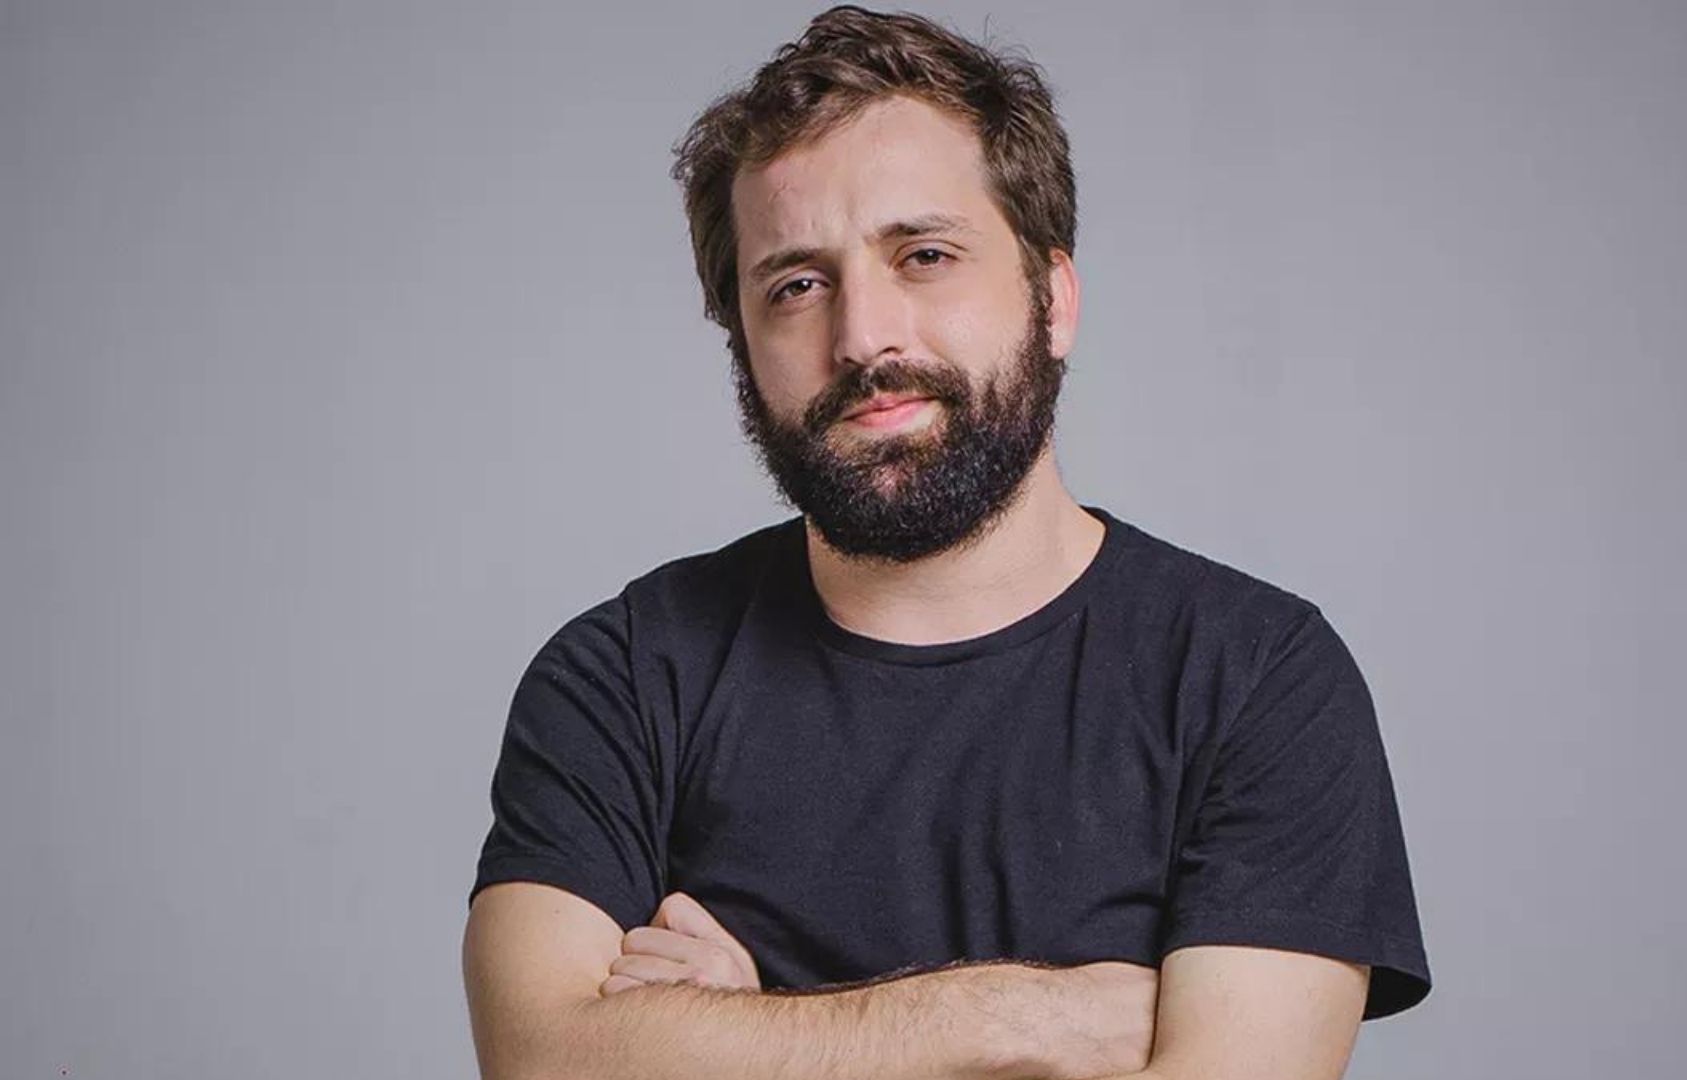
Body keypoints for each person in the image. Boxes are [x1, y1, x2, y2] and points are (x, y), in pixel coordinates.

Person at [461, 6, 1432, 1078]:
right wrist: (1023, 1023)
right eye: (795, 284)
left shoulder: (1257, 678)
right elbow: (544, 1060)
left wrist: (747, 1033)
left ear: (1052, 300)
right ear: (742, 340)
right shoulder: (625, 677)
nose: (863, 335)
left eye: (924, 255)